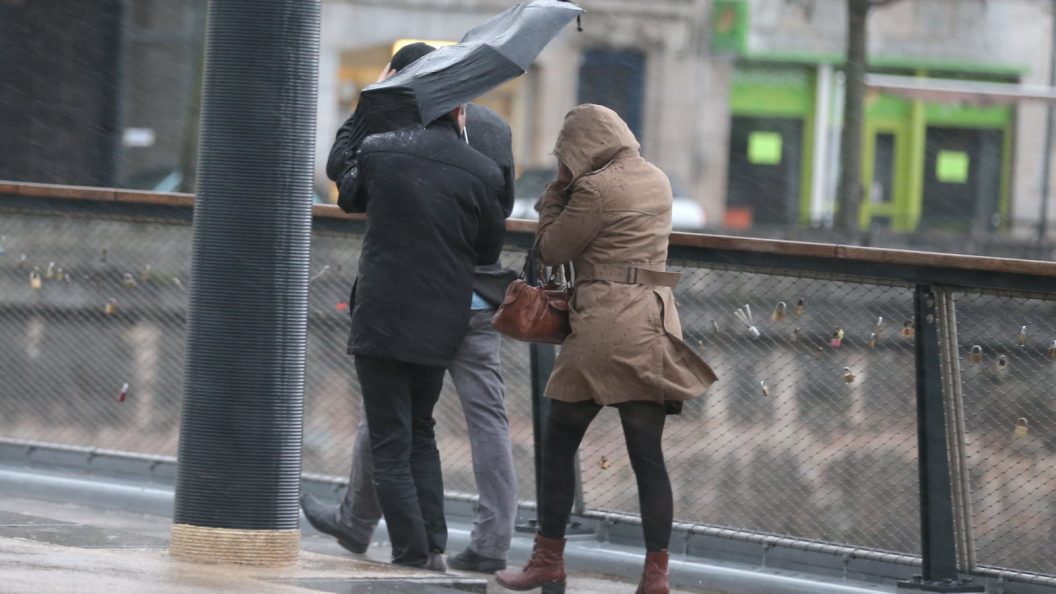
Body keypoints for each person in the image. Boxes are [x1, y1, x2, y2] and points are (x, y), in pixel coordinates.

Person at [301, 44, 515, 572]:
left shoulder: (384, 145)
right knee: (432, 431)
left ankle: (409, 550)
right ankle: (458, 543)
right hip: (456, 308)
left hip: (389, 308)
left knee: (387, 434)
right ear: (461, 101)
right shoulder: (487, 149)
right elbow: (491, 237)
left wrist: (367, 105)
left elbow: (344, 184)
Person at [495, 104, 717, 594]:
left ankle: (547, 560)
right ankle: (656, 575)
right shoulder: (657, 179)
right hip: (654, 321)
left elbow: (552, 250)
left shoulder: (593, 189)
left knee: (558, 445)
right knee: (647, 455)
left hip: (603, 326)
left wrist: (555, 190)